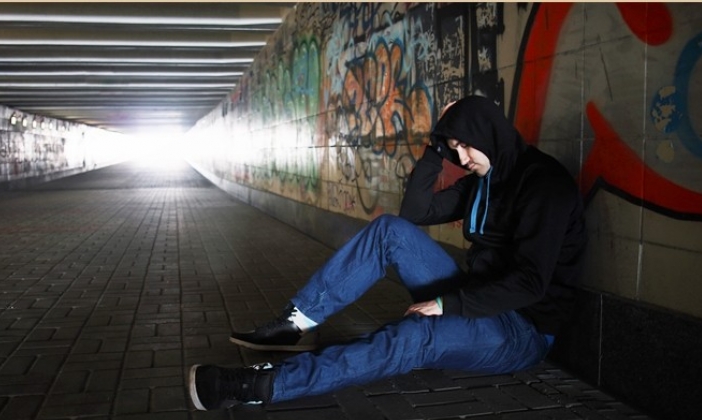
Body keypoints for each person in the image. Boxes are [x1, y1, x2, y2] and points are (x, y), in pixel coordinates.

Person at [188, 95, 587, 410]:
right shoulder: (484, 178)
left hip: (522, 330)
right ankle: (297, 323)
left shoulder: (543, 184)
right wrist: (436, 147)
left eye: (466, 146)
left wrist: (447, 304)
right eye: (456, 148)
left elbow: (531, 283)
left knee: (414, 336)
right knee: (389, 231)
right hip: (477, 297)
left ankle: (259, 385)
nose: (463, 158)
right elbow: (414, 212)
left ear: (490, 133)